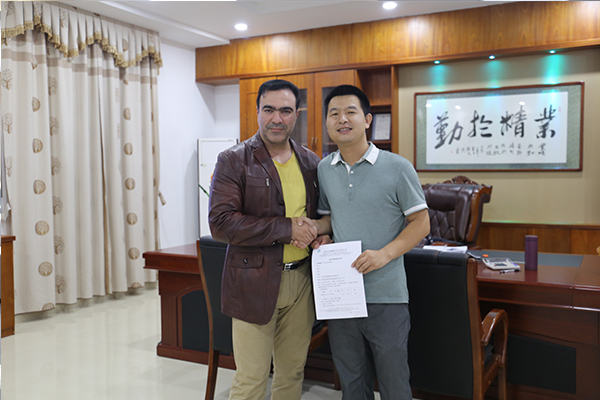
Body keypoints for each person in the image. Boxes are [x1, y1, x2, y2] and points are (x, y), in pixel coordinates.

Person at [309, 84, 430, 400]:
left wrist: (384, 255)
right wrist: (320, 233)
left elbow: (421, 223)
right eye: (334, 114)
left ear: (367, 120)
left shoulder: (397, 167)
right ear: (327, 123)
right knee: (352, 383)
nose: (342, 119)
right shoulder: (324, 168)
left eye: (350, 112)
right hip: (342, 293)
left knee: (394, 384)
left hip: (386, 295)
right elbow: (331, 218)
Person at [208, 79, 320, 400]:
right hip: (252, 283)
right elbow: (221, 223)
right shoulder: (234, 159)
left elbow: (315, 218)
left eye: (286, 111)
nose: (277, 119)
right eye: (269, 109)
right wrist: (286, 229)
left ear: (296, 114)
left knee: (292, 373)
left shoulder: (310, 162)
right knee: (252, 379)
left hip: (302, 282)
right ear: (257, 111)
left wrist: (320, 236)